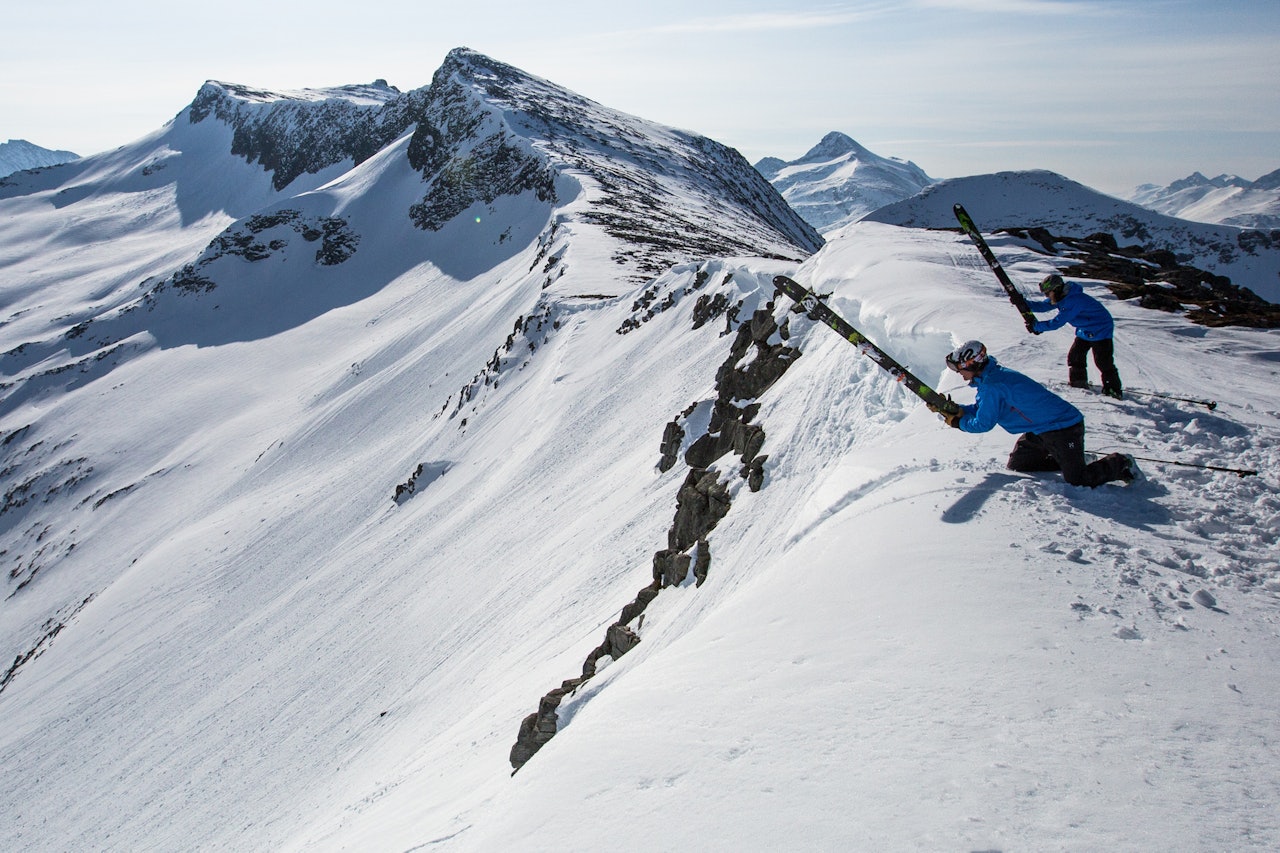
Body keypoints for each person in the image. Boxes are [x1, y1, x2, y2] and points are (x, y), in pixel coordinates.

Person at [930, 340, 1135, 487]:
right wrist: (957, 410)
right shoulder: (990, 379)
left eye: (960, 369)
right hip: (1040, 428)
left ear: (972, 364)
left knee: (1078, 479)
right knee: (1019, 464)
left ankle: (1120, 463)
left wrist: (958, 422)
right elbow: (984, 409)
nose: (960, 374)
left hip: (1063, 427)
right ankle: (1073, 458)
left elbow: (983, 423)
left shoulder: (993, 385)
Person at [1028, 273, 1123, 400]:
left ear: (1055, 290)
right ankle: (1078, 382)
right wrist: (1023, 303)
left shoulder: (1073, 300)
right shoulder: (1061, 296)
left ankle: (1113, 389)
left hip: (1101, 329)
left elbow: (1057, 322)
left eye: (1047, 293)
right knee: (1075, 356)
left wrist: (1037, 326)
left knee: (1103, 361)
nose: (1046, 296)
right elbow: (1044, 306)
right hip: (1085, 329)